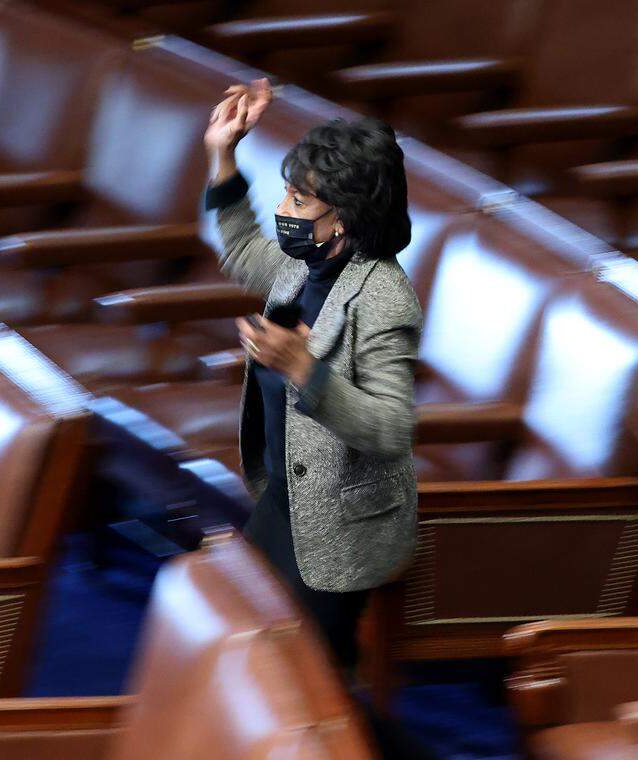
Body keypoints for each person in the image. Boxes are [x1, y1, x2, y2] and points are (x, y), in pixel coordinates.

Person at [202, 78, 421, 671]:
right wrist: (223, 154)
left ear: (345, 220)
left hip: (339, 530)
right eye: (286, 195)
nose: (283, 213)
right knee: (251, 663)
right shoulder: (305, 269)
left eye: (299, 202)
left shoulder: (382, 300)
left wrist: (305, 368)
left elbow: (389, 428)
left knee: (310, 685)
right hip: (282, 501)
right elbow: (242, 249)